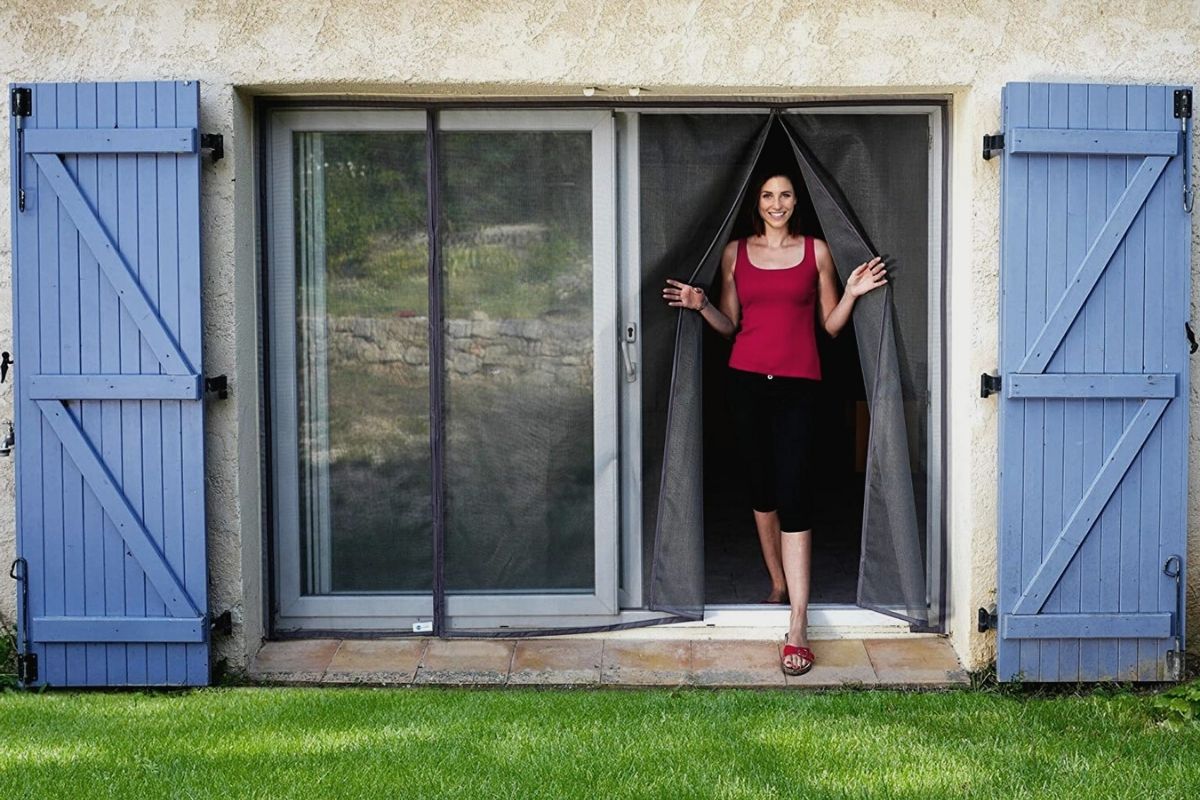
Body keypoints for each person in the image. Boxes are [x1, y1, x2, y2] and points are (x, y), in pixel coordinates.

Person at [661, 171, 887, 675]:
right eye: (767, 195)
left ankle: (799, 621)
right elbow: (731, 325)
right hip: (745, 382)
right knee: (762, 489)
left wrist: (851, 292)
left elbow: (829, 326)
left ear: (795, 201)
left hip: (799, 385)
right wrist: (701, 307)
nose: (777, 203)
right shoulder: (735, 254)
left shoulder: (818, 252)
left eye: (784, 194)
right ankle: (777, 583)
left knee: (794, 493)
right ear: (757, 203)